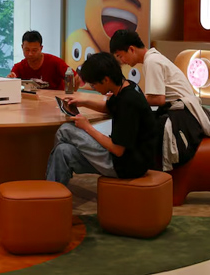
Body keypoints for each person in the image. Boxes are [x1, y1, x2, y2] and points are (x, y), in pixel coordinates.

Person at [45, 52, 158, 185]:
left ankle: (52, 188)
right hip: (125, 159)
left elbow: (117, 149)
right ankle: (53, 196)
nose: (94, 88)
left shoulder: (128, 102)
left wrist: (87, 127)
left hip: (126, 165)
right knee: (62, 151)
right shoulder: (127, 87)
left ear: (105, 80)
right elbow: (109, 107)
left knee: (65, 130)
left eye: (94, 85)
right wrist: (83, 101)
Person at [109, 30, 210, 171]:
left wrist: (127, 99)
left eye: (120, 56)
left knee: (138, 126)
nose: (122, 62)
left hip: (181, 116)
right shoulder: (154, 58)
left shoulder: (152, 62)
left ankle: (135, 168)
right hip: (181, 111)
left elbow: (158, 99)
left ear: (131, 49)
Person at [7, 30, 79, 91]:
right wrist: (10, 79)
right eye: (27, 50)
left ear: (41, 48)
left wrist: (71, 93)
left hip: (54, 103)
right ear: (22, 47)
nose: (30, 54)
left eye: (34, 50)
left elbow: (76, 78)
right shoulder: (19, 67)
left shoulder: (55, 62)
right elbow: (11, 82)